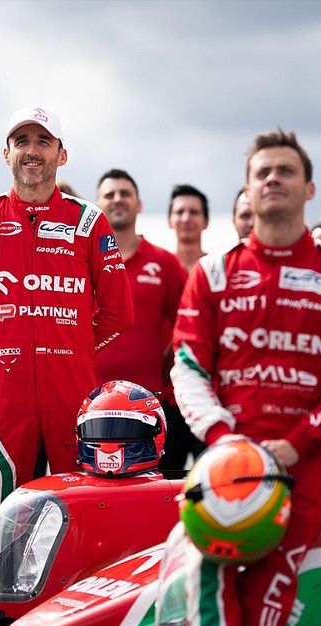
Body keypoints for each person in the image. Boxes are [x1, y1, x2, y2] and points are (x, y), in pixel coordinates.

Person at [171, 129, 321, 626]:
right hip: (225, 461)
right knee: (207, 578)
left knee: (269, 595)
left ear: (309, 189)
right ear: (247, 189)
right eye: (262, 172)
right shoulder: (213, 273)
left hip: (302, 464)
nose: (273, 180)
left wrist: (295, 445)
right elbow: (188, 366)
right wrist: (222, 438)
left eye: (285, 171)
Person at [0, 106, 133, 539]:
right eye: (21, 141)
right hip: (4, 396)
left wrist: (71, 346)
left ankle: (77, 608)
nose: (32, 151)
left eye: (43, 141)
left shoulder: (88, 220)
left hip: (73, 395)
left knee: (83, 523)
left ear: (62, 154)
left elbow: (120, 313)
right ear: (6, 154)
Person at [93, 169, 189, 470]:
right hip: (92, 404)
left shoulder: (164, 263)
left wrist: (169, 360)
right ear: (98, 206)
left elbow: (190, 324)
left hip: (151, 405)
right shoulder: (82, 260)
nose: (117, 199)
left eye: (125, 194)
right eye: (110, 195)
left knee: (151, 494)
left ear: (139, 204)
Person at [168, 184, 210, 272]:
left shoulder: (217, 268)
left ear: (206, 221)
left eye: (193, 212)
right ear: (169, 221)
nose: (186, 219)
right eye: (180, 212)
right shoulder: (161, 269)